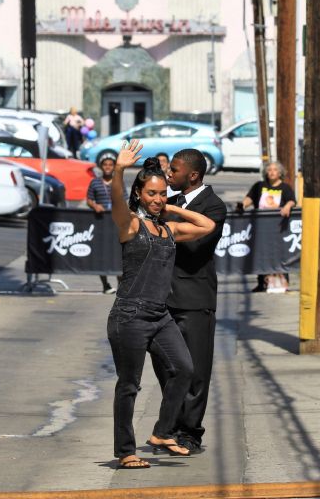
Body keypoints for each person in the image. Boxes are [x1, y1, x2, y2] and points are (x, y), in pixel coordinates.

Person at [107, 139, 215, 469]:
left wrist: (173, 208)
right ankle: (126, 452)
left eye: (162, 194)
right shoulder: (131, 225)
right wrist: (120, 169)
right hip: (129, 315)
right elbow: (116, 200)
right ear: (139, 195)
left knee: (184, 369)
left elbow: (207, 225)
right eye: (151, 194)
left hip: (160, 315)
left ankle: (162, 432)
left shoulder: (169, 229)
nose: (157, 199)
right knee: (129, 385)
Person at [150, 148, 226, 454]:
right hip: (163, 298)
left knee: (195, 371)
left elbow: (195, 246)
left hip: (194, 299)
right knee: (166, 368)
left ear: (193, 175)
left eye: (174, 170)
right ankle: (169, 428)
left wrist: (168, 224)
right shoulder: (169, 203)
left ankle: (190, 433)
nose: (169, 174)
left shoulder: (213, 206)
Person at [240, 161, 296, 292]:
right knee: (261, 255)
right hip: (260, 228)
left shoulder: (285, 188)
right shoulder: (259, 186)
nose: (271, 172)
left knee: (280, 254)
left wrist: (287, 206)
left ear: (280, 173)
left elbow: (292, 200)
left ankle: (283, 283)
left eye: (275, 170)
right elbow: (249, 198)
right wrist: (242, 205)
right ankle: (261, 283)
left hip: (279, 228)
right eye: (269, 170)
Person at [86, 155, 125, 294]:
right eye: (105, 164)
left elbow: (125, 200)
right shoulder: (95, 182)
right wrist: (95, 205)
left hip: (116, 225)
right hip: (101, 224)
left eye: (110, 164)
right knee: (101, 255)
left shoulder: (119, 182)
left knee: (118, 255)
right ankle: (105, 285)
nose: (108, 167)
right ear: (101, 167)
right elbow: (89, 199)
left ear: (114, 167)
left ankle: (121, 286)